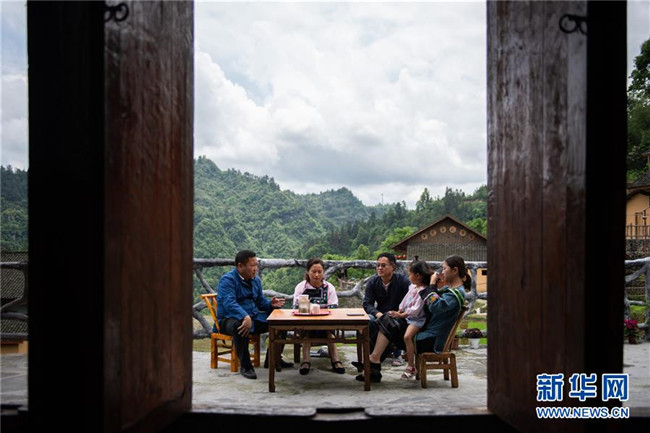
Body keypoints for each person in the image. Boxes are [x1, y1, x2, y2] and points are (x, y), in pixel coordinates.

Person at [356, 255, 469, 383]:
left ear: (455, 270)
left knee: (387, 323)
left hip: (431, 340)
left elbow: (434, 306)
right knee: (384, 322)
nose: (442, 272)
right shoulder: (450, 290)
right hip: (426, 333)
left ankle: (373, 363)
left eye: (444, 268)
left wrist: (431, 285)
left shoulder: (454, 294)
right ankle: (373, 364)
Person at [217, 250, 293, 379]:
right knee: (241, 325)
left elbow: (260, 302)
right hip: (229, 319)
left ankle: (273, 359)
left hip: (252, 317)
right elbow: (229, 303)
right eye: (252, 265)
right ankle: (246, 366)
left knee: (280, 321)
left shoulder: (255, 280)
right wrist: (244, 316)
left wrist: (271, 304)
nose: (255, 268)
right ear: (240, 266)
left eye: (256, 265)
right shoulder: (228, 280)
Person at [351, 252, 410, 372]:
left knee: (390, 323)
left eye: (383, 265)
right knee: (370, 322)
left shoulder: (403, 281)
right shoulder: (373, 282)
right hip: (380, 315)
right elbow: (367, 303)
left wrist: (399, 313)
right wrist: (378, 314)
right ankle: (371, 360)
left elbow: (411, 301)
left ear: (393, 266)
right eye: (378, 265)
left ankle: (372, 362)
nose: (379, 268)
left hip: (399, 316)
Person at [292, 257, 346, 375]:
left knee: (330, 336)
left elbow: (333, 308)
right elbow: (296, 307)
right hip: (306, 324)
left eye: (319, 272)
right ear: (308, 272)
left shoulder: (329, 288)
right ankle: (306, 361)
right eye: (313, 271)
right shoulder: (301, 287)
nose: (316, 275)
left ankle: (336, 361)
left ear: (323, 273)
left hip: (326, 324)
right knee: (306, 336)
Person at [389, 260, 433, 380]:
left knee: (407, 337)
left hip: (417, 319)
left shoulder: (423, 291)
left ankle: (411, 365)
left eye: (410, 274)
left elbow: (416, 309)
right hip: (408, 316)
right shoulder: (413, 287)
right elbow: (405, 299)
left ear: (418, 276)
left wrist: (401, 315)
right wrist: (400, 309)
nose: (408, 277)